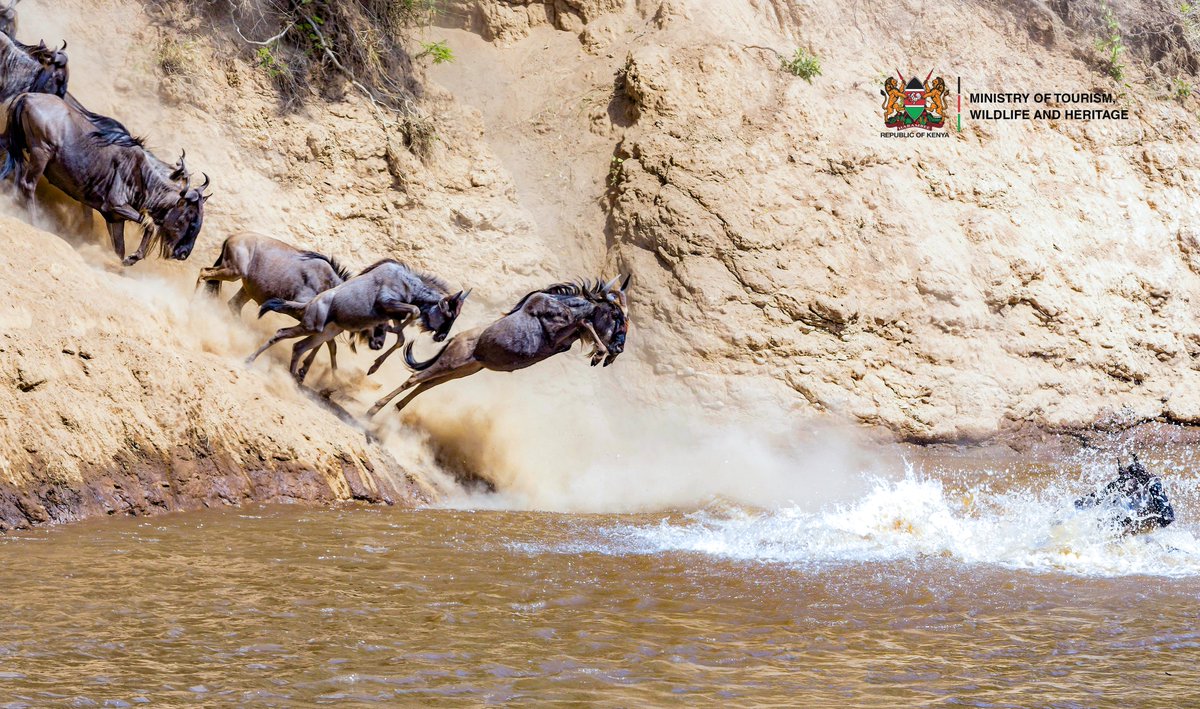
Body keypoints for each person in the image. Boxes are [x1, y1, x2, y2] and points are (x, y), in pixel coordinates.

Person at [1074, 455, 1175, 534]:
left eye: (1135, 479)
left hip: (1143, 530)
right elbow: (1089, 501)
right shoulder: (1119, 488)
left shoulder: (1153, 487)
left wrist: (1134, 527)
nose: (1130, 486)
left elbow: (1168, 518)